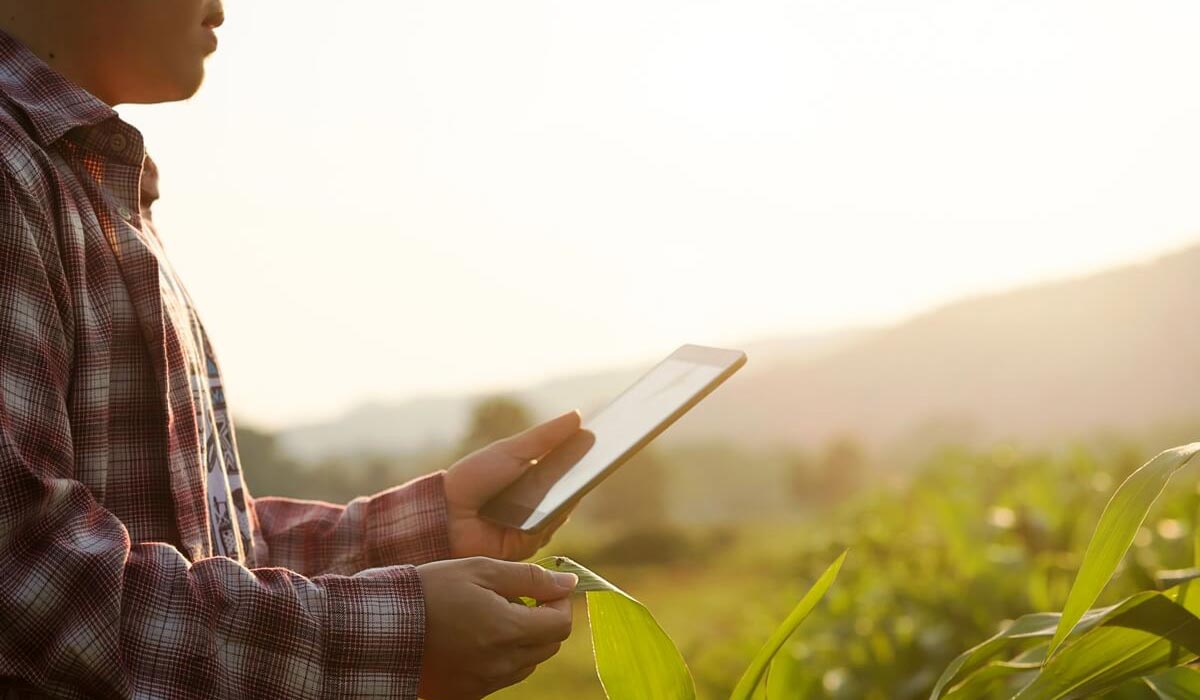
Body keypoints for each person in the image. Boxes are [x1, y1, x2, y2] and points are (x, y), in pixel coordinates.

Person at [0, 1, 581, 698]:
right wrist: (398, 634)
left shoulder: (79, 179)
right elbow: (26, 578)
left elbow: (196, 548)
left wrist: (427, 526)